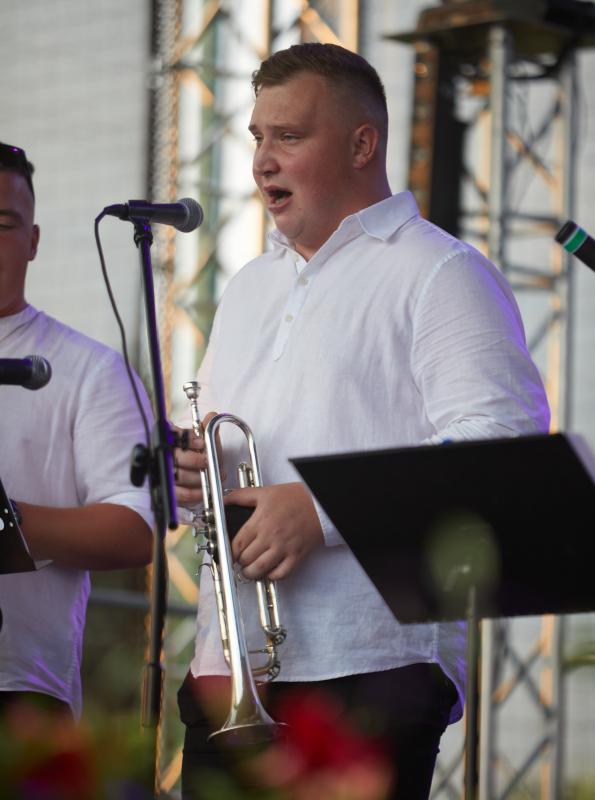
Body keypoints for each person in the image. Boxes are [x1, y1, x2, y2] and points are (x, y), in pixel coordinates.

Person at [173, 43, 550, 799]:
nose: (262, 160)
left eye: (289, 136)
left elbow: (502, 453)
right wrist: (194, 475)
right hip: (229, 668)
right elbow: (219, 442)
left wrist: (319, 510)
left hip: (370, 666)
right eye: (257, 137)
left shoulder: (440, 272)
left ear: (361, 144)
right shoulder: (248, 287)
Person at [0, 142, 154, 721]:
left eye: (3, 224)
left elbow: (137, 529)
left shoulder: (90, 369)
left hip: (18, 692)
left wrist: (6, 522)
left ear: (33, 240)